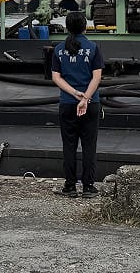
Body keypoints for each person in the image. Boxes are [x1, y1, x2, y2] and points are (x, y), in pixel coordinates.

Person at [51, 11, 103, 198]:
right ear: (85, 27)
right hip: (91, 103)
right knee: (89, 146)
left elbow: (56, 77)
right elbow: (96, 77)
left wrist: (74, 93)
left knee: (69, 145)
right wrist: (86, 98)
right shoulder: (93, 48)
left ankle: (70, 186)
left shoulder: (58, 50)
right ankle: (88, 186)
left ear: (67, 27)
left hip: (67, 103)